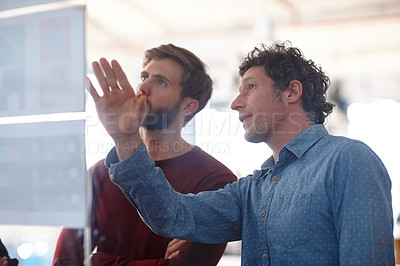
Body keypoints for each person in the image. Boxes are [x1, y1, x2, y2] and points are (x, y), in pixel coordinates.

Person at [87, 41, 395, 265]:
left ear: (291, 92)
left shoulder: (347, 160)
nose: (235, 102)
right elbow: (172, 216)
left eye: (249, 87)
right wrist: (125, 138)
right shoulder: (252, 189)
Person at [53, 44, 237, 265]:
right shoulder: (101, 173)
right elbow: (63, 260)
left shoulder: (216, 180)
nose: (142, 87)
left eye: (160, 81)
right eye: (144, 76)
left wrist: (94, 261)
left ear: (188, 106)